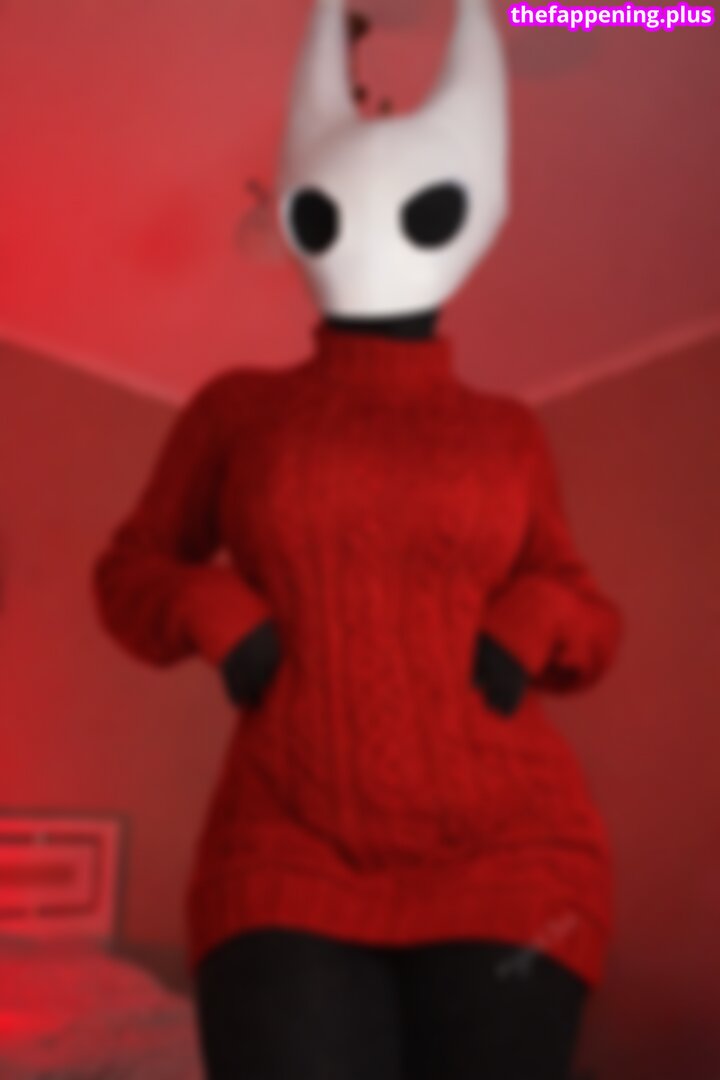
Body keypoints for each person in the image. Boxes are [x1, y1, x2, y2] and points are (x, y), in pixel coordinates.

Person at [91, 1, 624, 1077]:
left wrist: (534, 615)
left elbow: (589, 614)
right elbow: (129, 571)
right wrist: (211, 606)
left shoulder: (508, 433)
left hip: (513, 857)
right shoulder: (239, 411)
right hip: (286, 845)